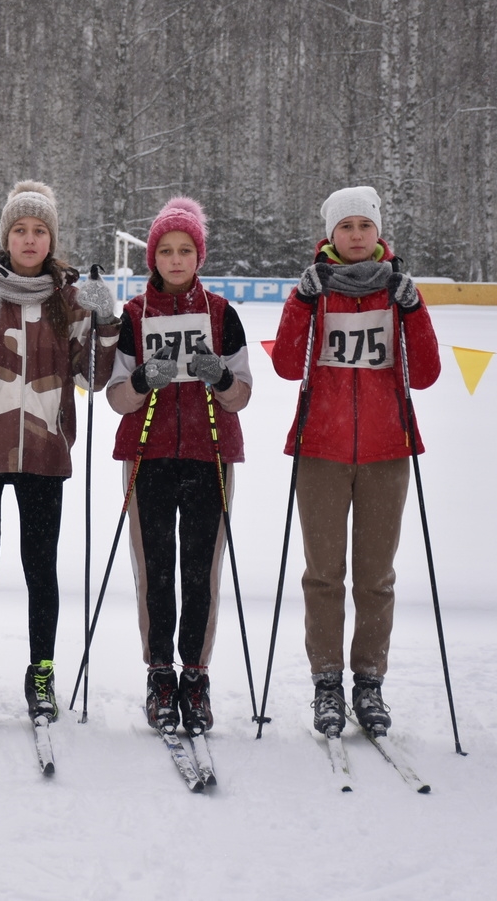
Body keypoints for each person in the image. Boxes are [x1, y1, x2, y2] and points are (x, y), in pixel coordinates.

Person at [0, 181, 118, 722]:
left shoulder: (72, 299)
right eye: (20, 230)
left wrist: (106, 322)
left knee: (41, 569)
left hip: (44, 453)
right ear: (6, 237)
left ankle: (42, 672)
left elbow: (97, 376)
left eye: (39, 231)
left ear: (51, 238)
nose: (30, 239)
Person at [270, 185, 439, 738]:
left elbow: (429, 372)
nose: (357, 236)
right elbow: (288, 367)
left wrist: (413, 309)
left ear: (378, 232)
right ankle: (326, 682)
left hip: (387, 452)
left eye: (365, 227)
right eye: (347, 228)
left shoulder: (396, 288)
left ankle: (368, 680)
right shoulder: (318, 289)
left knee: (375, 577)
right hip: (321, 449)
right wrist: (299, 302)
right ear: (331, 235)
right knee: (323, 574)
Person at [104, 197, 251, 735]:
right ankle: (160, 672)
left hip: (210, 455)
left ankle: (196, 674)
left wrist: (219, 378)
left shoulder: (220, 313)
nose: (175, 258)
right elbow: (116, 395)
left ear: (199, 254)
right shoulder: (135, 316)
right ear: (152, 257)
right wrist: (144, 380)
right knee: (156, 571)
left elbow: (242, 395)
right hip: (150, 455)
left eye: (185, 249)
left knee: (201, 571)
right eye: (165, 249)